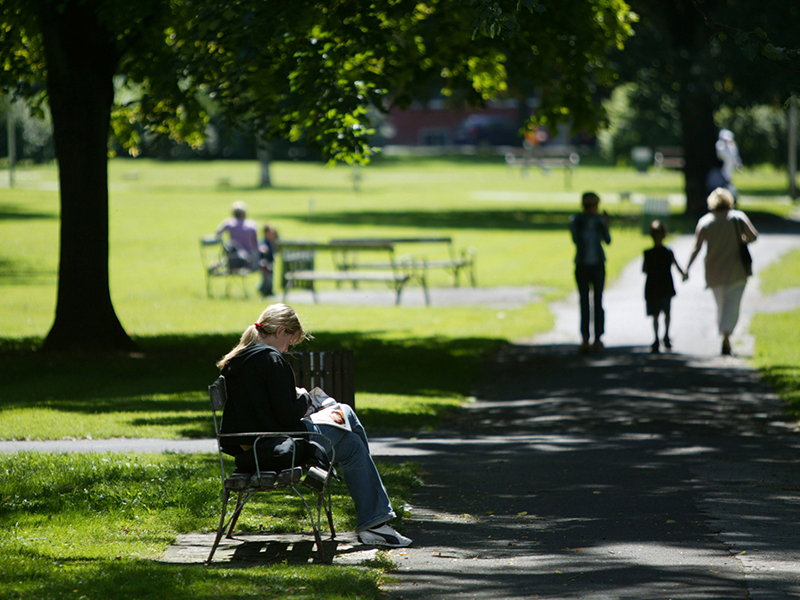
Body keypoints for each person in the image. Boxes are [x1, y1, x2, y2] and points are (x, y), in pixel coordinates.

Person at [215, 303, 412, 548]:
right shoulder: (271, 360)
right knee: (346, 413)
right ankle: (374, 521)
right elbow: (287, 418)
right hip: (277, 446)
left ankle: (375, 524)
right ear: (281, 331)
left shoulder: (239, 358)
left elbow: (265, 407)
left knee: (351, 445)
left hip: (255, 446)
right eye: (290, 342)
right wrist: (306, 399)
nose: (287, 349)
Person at [685, 187, 758, 355]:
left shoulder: (705, 222)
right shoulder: (738, 217)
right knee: (732, 306)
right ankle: (726, 335)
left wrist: (687, 268)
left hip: (714, 271)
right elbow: (753, 236)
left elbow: (696, 247)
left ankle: (724, 334)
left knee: (721, 306)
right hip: (737, 270)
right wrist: (742, 240)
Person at [569, 191, 612, 353]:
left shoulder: (589, 220)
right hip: (584, 264)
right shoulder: (577, 221)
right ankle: (587, 338)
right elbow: (577, 239)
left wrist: (604, 224)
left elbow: (607, 240)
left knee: (596, 302)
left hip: (596, 265)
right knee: (586, 302)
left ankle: (596, 338)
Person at [643, 220, 687, 354]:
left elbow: (644, 269)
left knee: (659, 313)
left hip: (654, 285)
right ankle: (662, 336)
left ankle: (660, 337)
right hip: (664, 284)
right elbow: (677, 266)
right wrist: (684, 274)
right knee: (663, 313)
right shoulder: (667, 252)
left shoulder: (648, 253)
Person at [215, 201, 260, 270]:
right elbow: (255, 244)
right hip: (249, 258)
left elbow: (218, 233)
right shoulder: (252, 224)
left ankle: (220, 263)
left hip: (234, 257)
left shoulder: (229, 223)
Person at [715, 129, 742, 199]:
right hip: (722, 168)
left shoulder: (732, 146)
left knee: (729, 180)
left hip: (730, 167)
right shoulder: (720, 146)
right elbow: (720, 157)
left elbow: (735, 156)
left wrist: (738, 164)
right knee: (724, 180)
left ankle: (731, 195)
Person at [258, 225, 280, 297]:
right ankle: (264, 289)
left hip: (270, 262)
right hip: (264, 262)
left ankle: (268, 290)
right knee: (267, 276)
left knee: (270, 276)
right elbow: (261, 250)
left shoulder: (272, 242)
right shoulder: (264, 242)